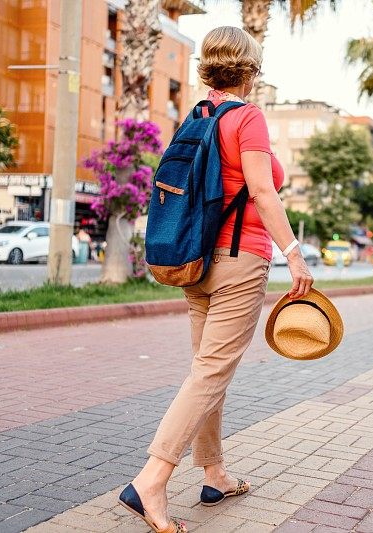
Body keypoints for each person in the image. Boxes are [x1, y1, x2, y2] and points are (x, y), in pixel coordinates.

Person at [117, 27, 313, 533]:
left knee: (209, 374)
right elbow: (263, 194)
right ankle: (152, 480)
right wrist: (295, 255)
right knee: (210, 375)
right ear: (251, 69)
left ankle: (215, 474)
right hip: (240, 262)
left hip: (196, 263)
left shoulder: (198, 116)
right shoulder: (248, 117)